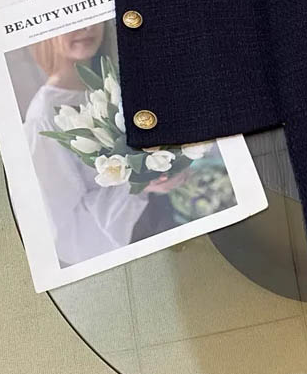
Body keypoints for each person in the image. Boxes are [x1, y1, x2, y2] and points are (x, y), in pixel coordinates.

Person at [22, 23, 186, 265]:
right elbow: (68, 230)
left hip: (175, 211)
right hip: (134, 241)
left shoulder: (119, 80)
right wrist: (141, 187)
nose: (87, 27)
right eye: (72, 18)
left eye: (90, 17)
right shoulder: (43, 118)